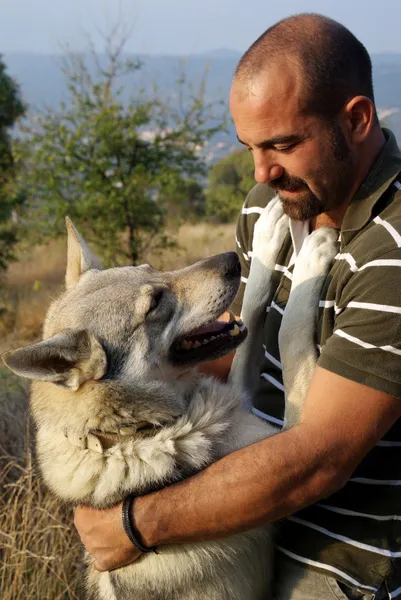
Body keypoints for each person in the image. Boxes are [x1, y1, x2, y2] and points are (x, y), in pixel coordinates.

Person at [74, 14, 401, 599]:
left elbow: (319, 459)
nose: (260, 172)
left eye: (282, 144)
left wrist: (135, 524)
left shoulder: (393, 250)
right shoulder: (271, 203)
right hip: (235, 495)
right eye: (250, 145)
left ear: (355, 120)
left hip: (336, 557)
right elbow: (234, 345)